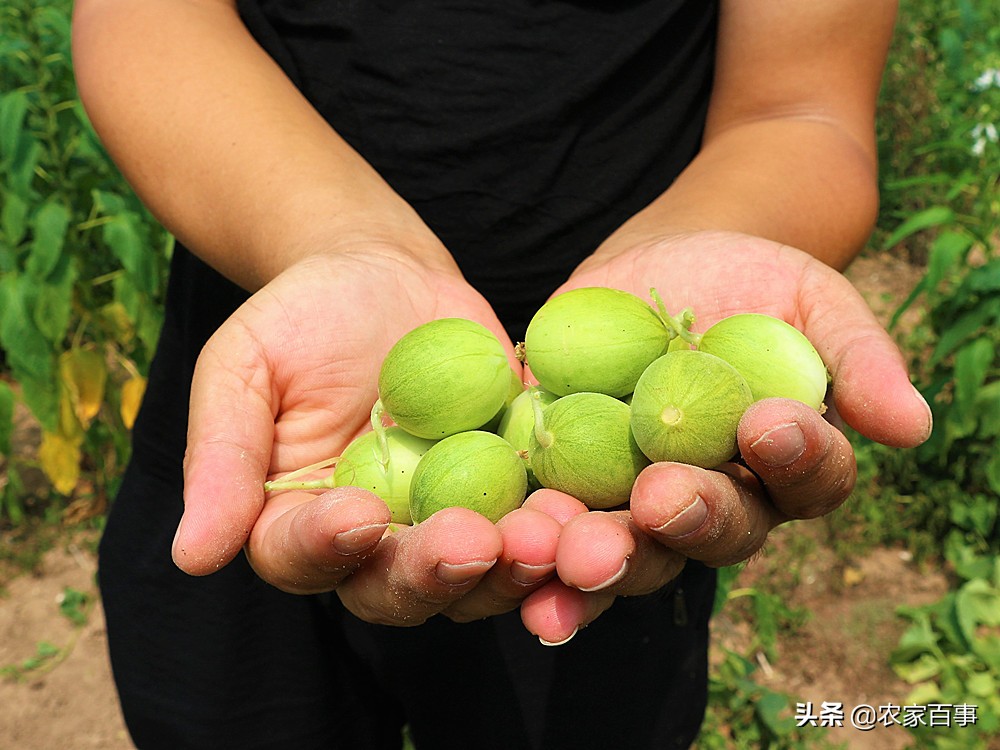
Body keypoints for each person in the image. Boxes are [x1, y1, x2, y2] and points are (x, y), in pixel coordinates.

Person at [72, 0, 931, 748]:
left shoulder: (624, 415)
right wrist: (343, 242)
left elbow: (800, 107)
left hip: (606, 519)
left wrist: (695, 250)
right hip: (294, 412)